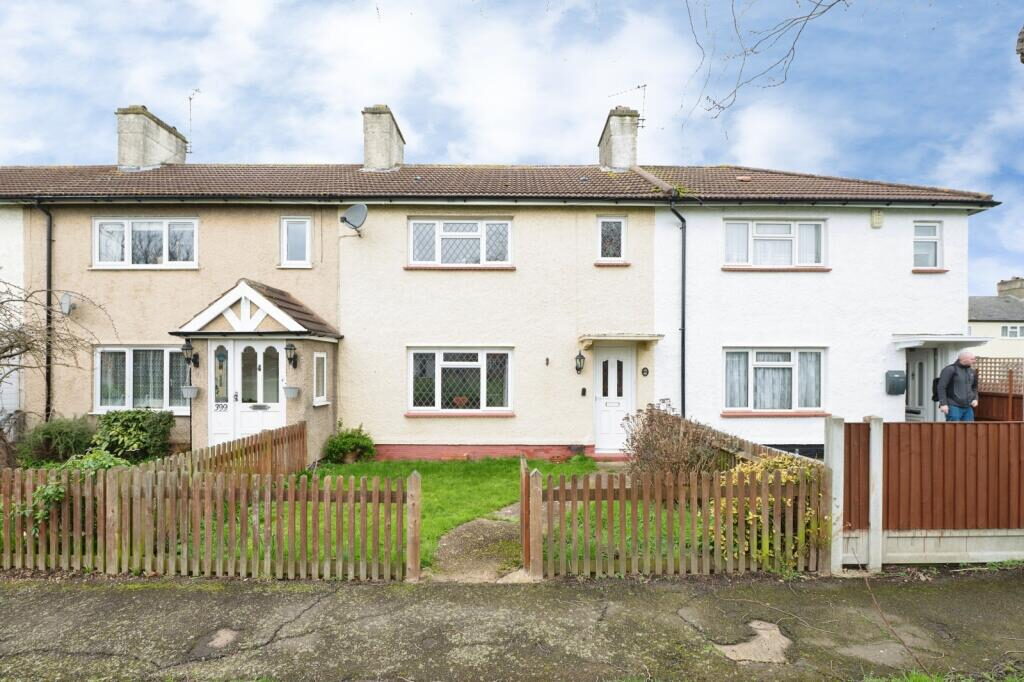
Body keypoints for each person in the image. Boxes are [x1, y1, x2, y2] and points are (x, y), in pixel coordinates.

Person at [936, 351, 979, 422]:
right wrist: (943, 403)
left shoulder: (972, 371)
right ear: (964, 359)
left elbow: (974, 387)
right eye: (972, 359)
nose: (974, 361)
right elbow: (941, 387)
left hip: (968, 407)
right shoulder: (950, 369)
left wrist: (975, 399)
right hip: (953, 406)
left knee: (969, 430)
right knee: (953, 430)